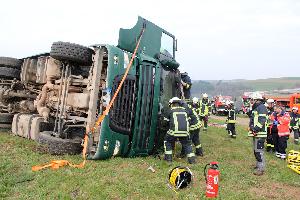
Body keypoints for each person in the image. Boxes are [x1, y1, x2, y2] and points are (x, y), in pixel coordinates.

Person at [163, 97, 196, 164]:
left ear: (171, 104)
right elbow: (189, 121)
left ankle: (168, 159)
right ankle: (192, 161)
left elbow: (164, 123)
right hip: (185, 132)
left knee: (167, 141)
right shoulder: (185, 110)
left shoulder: (170, 110)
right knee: (187, 144)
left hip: (173, 132)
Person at [248, 92, 268, 176]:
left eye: (252, 100)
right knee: (256, 150)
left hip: (260, 133)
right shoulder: (256, 107)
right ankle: (258, 165)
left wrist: (255, 129)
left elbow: (262, 120)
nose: (251, 101)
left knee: (259, 151)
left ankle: (261, 169)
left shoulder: (262, 107)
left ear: (256, 100)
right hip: (256, 133)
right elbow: (251, 117)